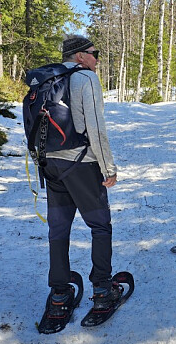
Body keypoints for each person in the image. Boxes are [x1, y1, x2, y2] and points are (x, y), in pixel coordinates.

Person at [42, 35, 120, 318]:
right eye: (93, 53)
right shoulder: (85, 79)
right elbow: (96, 127)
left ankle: (60, 295)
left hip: (51, 164)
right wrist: (108, 167)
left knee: (58, 230)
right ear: (79, 56)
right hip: (80, 164)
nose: (97, 58)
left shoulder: (49, 80)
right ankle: (102, 290)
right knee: (100, 226)